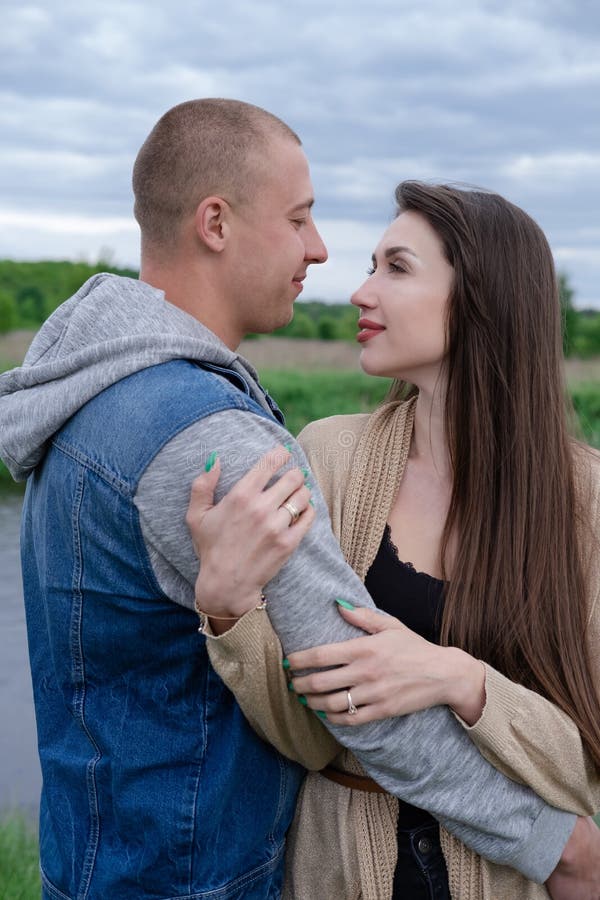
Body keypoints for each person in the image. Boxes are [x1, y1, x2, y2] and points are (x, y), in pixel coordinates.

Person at [0, 100, 594, 900]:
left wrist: (461, 678)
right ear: (216, 222)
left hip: (101, 867)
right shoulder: (222, 441)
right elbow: (352, 709)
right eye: (300, 218)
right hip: (206, 877)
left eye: (395, 266)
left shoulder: (92, 388)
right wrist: (556, 846)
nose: (324, 256)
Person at [186, 182, 600, 899]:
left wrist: (457, 680)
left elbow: (582, 765)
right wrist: (227, 607)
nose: (358, 291)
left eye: (395, 268)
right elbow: (305, 737)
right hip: (336, 871)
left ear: (480, 298)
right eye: (372, 264)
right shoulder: (328, 457)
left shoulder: (585, 500)